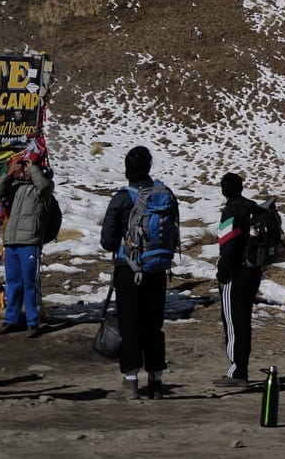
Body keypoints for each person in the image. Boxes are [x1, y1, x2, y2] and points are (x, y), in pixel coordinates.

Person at [99, 146, 178, 400]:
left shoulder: (122, 198)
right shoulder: (166, 195)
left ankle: (131, 382)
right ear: (149, 166)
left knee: (130, 324)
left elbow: (108, 241)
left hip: (128, 268)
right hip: (157, 269)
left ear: (127, 168)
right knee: (154, 325)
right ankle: (156, 382)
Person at [0, 152, 54, 337]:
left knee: (30, 283)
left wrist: (34, 168)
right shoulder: (17, 187)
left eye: (27, 166)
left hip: (30, 242)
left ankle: (32, 321)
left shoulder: (44, 188)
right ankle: (11, 319)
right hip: (12, 241)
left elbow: (43, 186)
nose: (25, 170)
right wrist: (8, 175)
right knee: (13, 283)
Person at [214, 171, 260, 388]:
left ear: (224, 191)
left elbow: (228, 245)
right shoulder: (253, 207)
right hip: (253, 271)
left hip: (236, 273)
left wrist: (222, 274)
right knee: (244, 321)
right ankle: (241, 368)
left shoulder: (231, 211)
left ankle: (237, 371)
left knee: (233, 322)